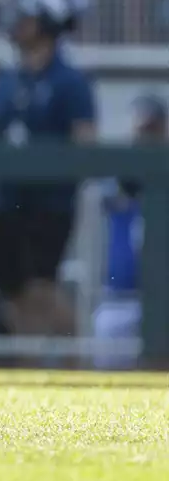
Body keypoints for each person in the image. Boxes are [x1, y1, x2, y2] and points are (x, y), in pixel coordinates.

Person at [0, 0, 95, 338]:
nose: (19, 26)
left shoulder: (70, 80)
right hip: (8, 197)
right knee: (13, 292)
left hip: (50, 200)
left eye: (28, 19)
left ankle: (76, 362)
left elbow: (85, 141)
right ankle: (25, 366)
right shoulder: (7, 78)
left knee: (42, 287)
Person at [92, 94, 165, 370]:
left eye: (153, 130)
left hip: (163, 299)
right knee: (106, 331)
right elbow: (113, 192)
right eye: (142, 130)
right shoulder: (119, 176)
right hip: (120, 299)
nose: (146, 138)